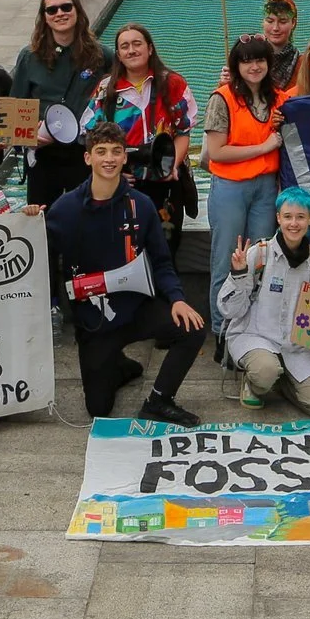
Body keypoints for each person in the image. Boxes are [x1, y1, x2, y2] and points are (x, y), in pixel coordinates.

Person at [48, 123, 206, 426]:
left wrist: (177, 299)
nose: (109, 158)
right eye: (101, 152)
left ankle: (159, 400)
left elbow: (161, 262)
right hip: (95, 322)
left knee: (192, 328)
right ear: (88, 158)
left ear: (125, 159)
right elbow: (37, 255)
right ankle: (118, 366)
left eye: (116, 152)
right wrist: (30, 219)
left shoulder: (142, 205)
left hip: (136, 307)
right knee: (98, 409)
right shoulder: (64, 210)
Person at [216, 187, 310, 415]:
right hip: (256, 335)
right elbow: (229, 310)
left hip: (296, 346)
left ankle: (281, 382)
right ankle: (255, 382)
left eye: (300, 217)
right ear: (278, 217)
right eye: (288, 216)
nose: (294, 223)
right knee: (264, 372)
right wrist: (239, 274)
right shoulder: (258, 254)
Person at [203, 35, 287, 327]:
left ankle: (253, 324)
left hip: (265, 188)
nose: (254, 66)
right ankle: (221, 326)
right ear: (236, 65)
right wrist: (265, 147)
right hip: (230, 188)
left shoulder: (277, 97)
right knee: (227, 258)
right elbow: (217, 151)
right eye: (246, 60)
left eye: (260, 59)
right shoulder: (222, 98)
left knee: (260, 257)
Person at [82, 24, 194, 237]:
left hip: (165, 183)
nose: (131, 50)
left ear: (150, 48)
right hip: (122, 184)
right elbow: (90, 138)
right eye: (125, 46)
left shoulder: (172, 84)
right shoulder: (106, 91)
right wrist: (112, 172)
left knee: (165, 246)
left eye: (137, 44)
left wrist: (171, 165)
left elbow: (183, 132)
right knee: (125, 249)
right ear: (118, 55)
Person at [14, 0, 105, 211]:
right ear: (44, 17)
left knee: (86, 219)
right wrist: (27, 137)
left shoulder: (101, 56)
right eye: (52, 10)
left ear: (77, 11)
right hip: (43, 155)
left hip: (83, 153)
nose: (59, 13)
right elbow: (15, 108)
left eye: (66, 7)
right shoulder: (29, 57)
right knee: (43, 222)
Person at [259, 0, 303, 90]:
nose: (275, 28)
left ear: (293, 23)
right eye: (270, 21)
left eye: (282, 22)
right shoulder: (248, 58)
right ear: (263, 22)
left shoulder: (303, 64)